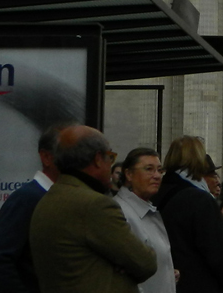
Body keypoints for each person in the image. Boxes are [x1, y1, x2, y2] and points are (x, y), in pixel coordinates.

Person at [28, 125, 158, 293]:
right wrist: (119, 264)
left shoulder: (48, 199)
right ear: (98, 159)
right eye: (110, 157)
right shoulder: (95, 205)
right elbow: (145, 263)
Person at [0, 121, 68, 293]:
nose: (78, 161)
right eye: (69, 154)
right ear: (46, 157)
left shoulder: (63, 197)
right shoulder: (27, 199)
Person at [153, 136, 223, 293]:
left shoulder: (156, 192)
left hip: (163, 281)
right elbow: (218, 253)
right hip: (197, 283)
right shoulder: (200, 199)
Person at [114, 148, 176, 293]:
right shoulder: (120, 212)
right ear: (129, 174)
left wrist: (167, 273)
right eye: (149, 169)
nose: (157, 176)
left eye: (160, 170)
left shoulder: (149, 210)